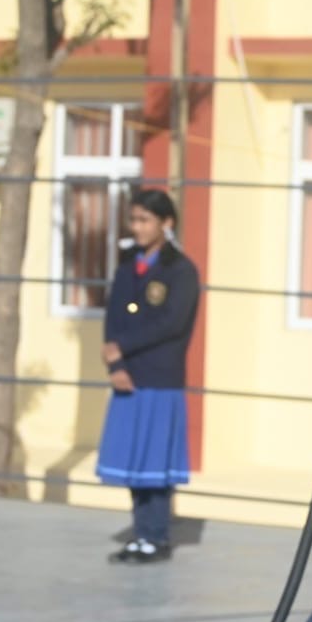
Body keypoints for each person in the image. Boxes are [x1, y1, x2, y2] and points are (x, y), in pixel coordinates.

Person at [97, 189, 200, 564]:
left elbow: (172, 323)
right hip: (129, 376)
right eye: (133, 219)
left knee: (155, 464)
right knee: (134, 461)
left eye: (145, 220)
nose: (137, 227)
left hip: (159, 377)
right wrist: (116, 365)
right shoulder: (127, 265)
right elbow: (113, 318)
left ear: (166, 223)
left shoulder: (181, 270)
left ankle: (156, 536)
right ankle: (141, 534)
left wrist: (122, 346)